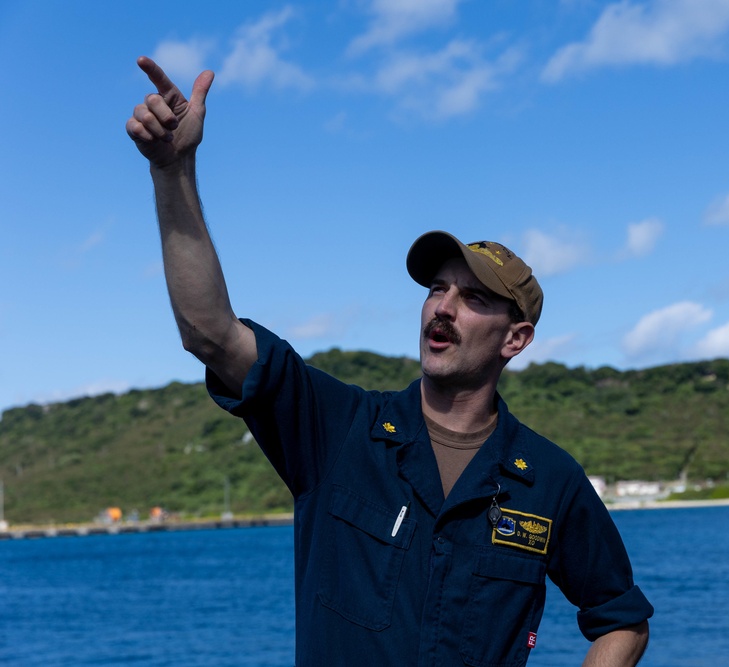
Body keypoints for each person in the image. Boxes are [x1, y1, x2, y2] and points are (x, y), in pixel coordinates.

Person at [126, 56, 652, 667]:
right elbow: (209, 333)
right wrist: (173, 170)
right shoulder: (338, 430)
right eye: (436, 289)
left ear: (517, 339)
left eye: (473, 297)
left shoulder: (549, 481)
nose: (443, 307)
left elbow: (621, 621)